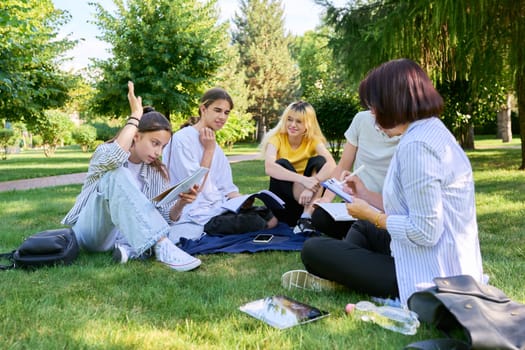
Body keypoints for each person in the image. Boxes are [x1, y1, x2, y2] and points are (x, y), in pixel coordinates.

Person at [291, 58, 485, 305]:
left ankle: (342, 273)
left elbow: (425, 232)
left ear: (394, 102)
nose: (373, 116)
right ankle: (346, 271)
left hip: (430, 276)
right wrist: (365, 196)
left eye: (375, 107)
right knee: (362, 227)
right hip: (444, 262)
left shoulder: (417, 147)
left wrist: (373, 215)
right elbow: (413, 208)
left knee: (314, 249)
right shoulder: (430, 130)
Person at [61, 81, 201, 272]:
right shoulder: (104, 152)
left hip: (127, 236)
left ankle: (129, 251)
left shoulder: (155, 171)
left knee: (193, 226)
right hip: (92, 234)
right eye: (154, 143)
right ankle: (160, 246)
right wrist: (135, 116)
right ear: (136, 136)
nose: (158, 152)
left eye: (162, 146)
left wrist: (181, 203)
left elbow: (161, 218)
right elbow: (115, 157)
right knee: (117, 173)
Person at [162, 87, 278, 243]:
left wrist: (243, 200)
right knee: (257, 222)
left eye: (226, 112)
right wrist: (208, 150)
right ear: (203, 109)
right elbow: (193, 187)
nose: (222, 117)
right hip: (196, 213)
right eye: (217, 110)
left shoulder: (214, 144)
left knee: (270, 217)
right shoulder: (182, 140)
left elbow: (227, 187)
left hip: (221, 206)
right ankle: (209, 231)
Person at [311, 110, 401, 239]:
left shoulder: (410, 133)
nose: (373, 111)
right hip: (358, 201)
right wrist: (326, 199)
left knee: (369, 228)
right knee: (320, 216)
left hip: (387, 209)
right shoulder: (362, 119)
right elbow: (342, 166)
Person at [260, 101, 336, 233]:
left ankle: (306, 217)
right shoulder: (276, 138)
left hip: (309, 201)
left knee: (319, 161)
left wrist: (312, 183)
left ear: (308, 124)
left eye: (299, 121)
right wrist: (303, 180)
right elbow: (269, 167)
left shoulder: (313, 140)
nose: (293, 125)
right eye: (289, 120)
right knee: (281, 164)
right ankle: (303, 219)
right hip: (285, 205)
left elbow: (332, 165)